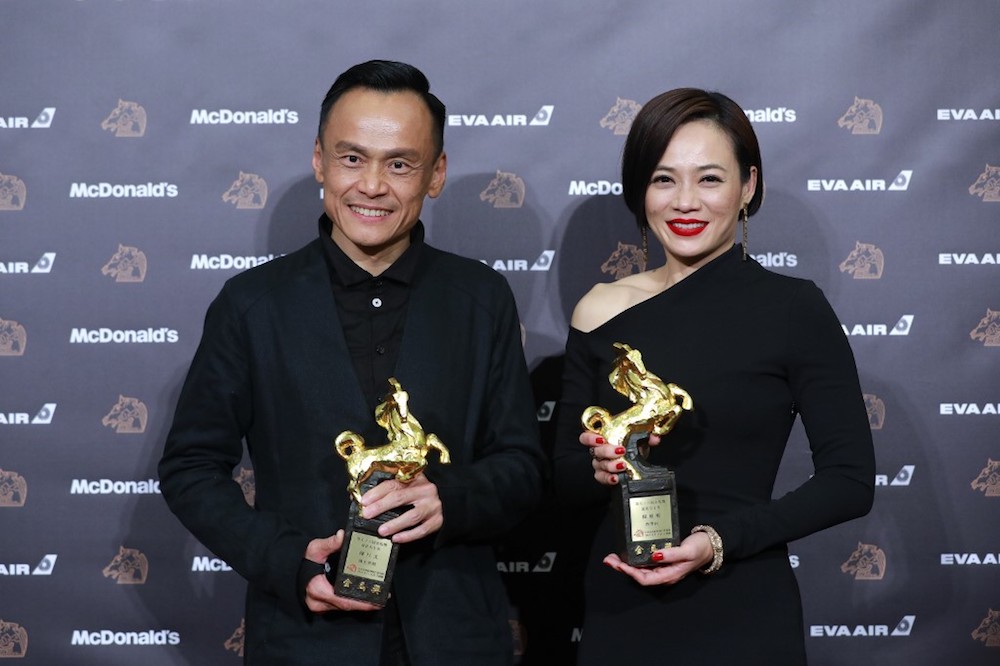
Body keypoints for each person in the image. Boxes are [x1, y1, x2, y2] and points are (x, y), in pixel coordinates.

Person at [158, 60, 545, 665]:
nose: (371, 185)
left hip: (455, 638)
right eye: (351, 158)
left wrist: (451, 497)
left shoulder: (481, 299)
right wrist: (286, 562)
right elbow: (191, 468)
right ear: (319, 161)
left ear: (435, 173)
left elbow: (523, 467)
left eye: (399, 163)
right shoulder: (252, 305)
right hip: (303, 640)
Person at [553, 88, 875, 664]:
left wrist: (718, 542)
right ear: (640, 190)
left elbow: (850, 480)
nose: (685, 202)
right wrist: (596, 467)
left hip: (743, 605)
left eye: (708, 179)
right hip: (620, 602)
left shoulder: (794, 310)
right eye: (663, 179)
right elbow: (560, 479)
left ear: (747, 187)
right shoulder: (598, 310)